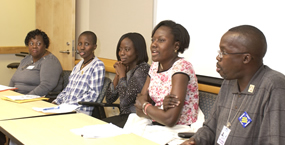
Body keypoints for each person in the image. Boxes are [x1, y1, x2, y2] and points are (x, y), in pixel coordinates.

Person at [181, 25, 285, 145]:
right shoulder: (229, 82)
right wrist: (194, 141)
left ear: (246, 58)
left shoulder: (274, 86)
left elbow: (274, 141)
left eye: (223, 52)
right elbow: (210, 128)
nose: (218, 57)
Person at [134, 20, 199, 127]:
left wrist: (146, 106)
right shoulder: (155, 66)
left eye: (161, 40)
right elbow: (138, 108)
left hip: (180, 129)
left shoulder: (182, 67)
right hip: (157, 124)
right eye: (153, 40)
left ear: (176, 46)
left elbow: (170, 119)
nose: (153, 44)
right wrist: (158, 111)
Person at [102, 32, 150, 128]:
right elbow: (109, 99)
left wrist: (122, 75)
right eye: (120, 49)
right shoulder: (125, 68)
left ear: (138, 51)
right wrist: (118, 75)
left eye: (127, 49)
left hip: (136, 119)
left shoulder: (143, 69)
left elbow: (124, 101)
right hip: (125, 117)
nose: (122, 53)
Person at [52, 31, 105, 115]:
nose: (82, 47)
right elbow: (67, 89)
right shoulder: (77, 66)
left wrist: (69, 105)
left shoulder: (98, 66)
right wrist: (56, 102)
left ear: (94, 47)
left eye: (86, 44)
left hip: (79, 111)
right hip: (64, 108)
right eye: (79, 44)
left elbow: (92, 95)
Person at [9, 29, 63, 101]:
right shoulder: (26, 59)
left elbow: (46, 86)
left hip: (35, 100)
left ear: (45, 45)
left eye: (39, 44)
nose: (34, 46)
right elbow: (13, 80)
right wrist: (9, 94)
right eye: (31, 43)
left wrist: (26, 98)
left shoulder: (50, 61)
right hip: (18, 98)